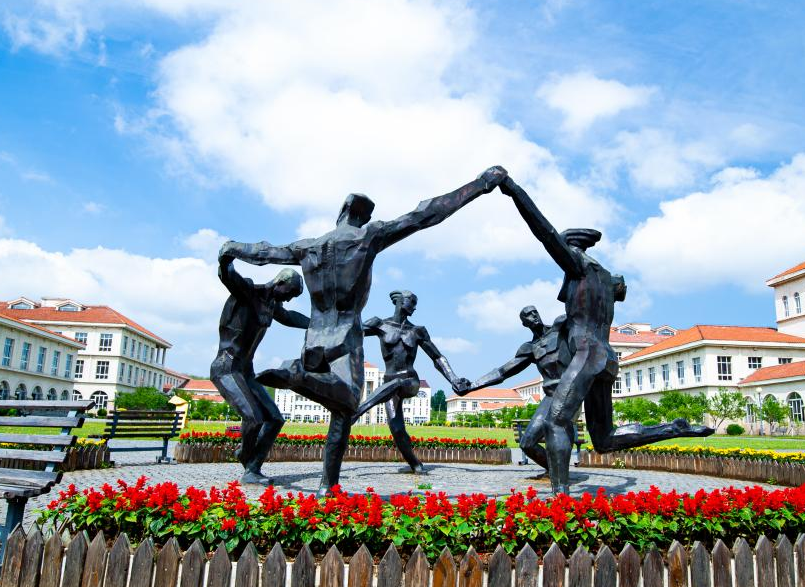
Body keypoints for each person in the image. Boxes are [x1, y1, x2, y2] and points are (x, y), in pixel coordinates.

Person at [219, 165, 507, 494]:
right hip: (345, 336)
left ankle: (328, 483)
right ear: (362, 217)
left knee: (341, 409)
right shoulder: (368, 236)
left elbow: (265, 252)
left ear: (341, 212)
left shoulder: (307, 247)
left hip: (314, 338)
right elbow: (424, 215)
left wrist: (232, 248)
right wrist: (480, 185)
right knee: (346, 408)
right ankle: (300, 384)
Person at [499, 177, 713, 494]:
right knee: (604, 440)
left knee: (556, 421)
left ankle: (560, 498)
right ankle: (671, 428)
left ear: (569, 247)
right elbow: (618, 291)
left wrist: (513, 190)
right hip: (605, 358)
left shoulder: (579, 265)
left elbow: (543, 232)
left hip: (587, 353)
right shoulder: (605, 277)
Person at [211, 260, 309, 483]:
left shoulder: (271, 305)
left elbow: (289, 317)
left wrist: (316, 324)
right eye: (290, 293)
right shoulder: (248, 291)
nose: (289, 299)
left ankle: (252, 468)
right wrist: (226, 259)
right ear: (280, 282)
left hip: (246, 371)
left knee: (274, 419)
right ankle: (246, 459)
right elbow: (227, 275)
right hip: (226, 368)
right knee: (253, 418)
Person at [353, 290, 468, 474]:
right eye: (412, 302)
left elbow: (437, 357)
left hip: (409, 381)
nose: (414, 307)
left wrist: (453, 378)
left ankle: (358, 411)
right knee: (397, 429)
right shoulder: (379, 324)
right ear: (399, 301)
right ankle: (415, 464)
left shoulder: (417, 331)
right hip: (388, 384)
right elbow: (351, 333)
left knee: (397, 383)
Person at [462, 305, 574, 472]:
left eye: (535, 312)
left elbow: (582, 314)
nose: (534, 316)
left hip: (572, 391)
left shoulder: (560, 327)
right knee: (527, 443)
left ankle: (560, 475)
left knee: (558, 432)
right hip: (551, 396)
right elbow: (502, 372)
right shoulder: (530, 348)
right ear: (524, 323)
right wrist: (471, 386)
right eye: (528, 315)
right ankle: (555, 471)